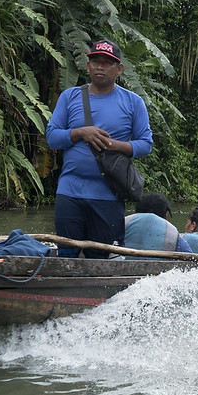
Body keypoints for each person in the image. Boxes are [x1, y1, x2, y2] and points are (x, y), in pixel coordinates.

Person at [46, 40, 153, 258]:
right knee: (66, 255)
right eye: (95, 62)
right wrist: (80, 133)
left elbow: (145, 144)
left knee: (102, 258)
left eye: (107, 63)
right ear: (87, 66)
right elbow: (52, 138)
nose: (100, 67)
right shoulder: (69, 97)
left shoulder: (133, 102)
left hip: (108, 196)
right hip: (69, 193)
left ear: (119, 69)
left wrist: (113, 145)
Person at [124, 193, 192, 254]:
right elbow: (189, 256)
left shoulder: (125, 223)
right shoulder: (171, 233)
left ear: (136, 212)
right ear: (165, 215)